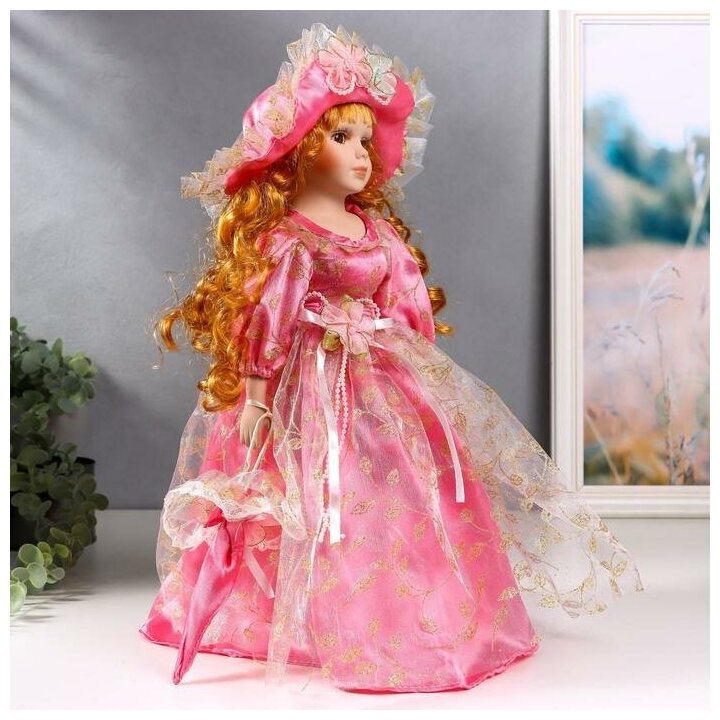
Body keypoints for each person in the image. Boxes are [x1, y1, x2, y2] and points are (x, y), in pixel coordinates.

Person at [139, 23, 644, 693]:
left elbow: (405, 302)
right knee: (313, 493)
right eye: (341, 137)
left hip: (378, 381)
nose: (360, 151)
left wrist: (423, 373)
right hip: (307, 387)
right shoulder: (290, 238)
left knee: (395, 491)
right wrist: (256, 397)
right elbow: (268, 317)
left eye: (365, 139)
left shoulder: (374, 230)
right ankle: (305, 619)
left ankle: (409, 617)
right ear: (302, 148)